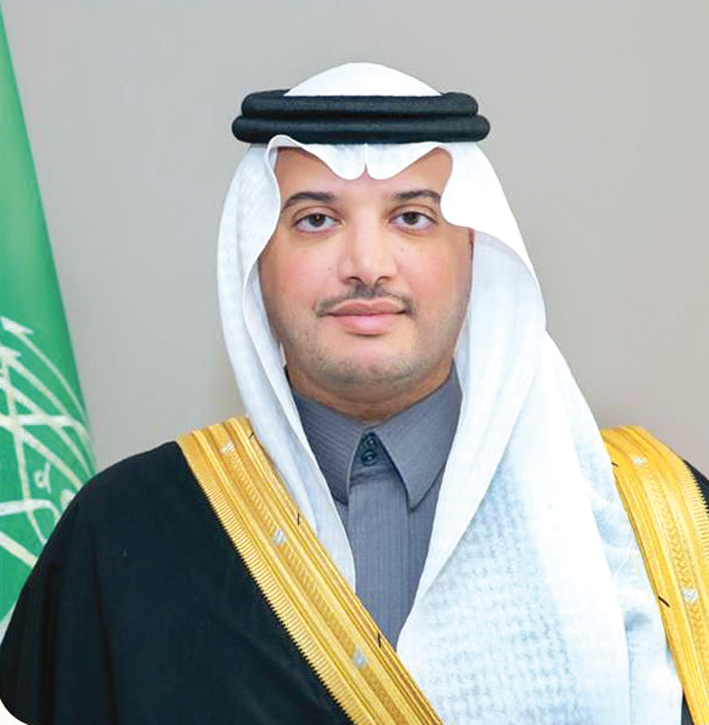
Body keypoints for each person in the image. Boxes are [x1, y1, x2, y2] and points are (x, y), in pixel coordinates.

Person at [0, 62, 706, 725]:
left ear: (473, 251)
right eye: (316, 219)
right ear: (257, 259)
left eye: (412, 218)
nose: (367, 266)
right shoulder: (123, 535)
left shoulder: (652, 524)